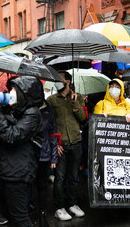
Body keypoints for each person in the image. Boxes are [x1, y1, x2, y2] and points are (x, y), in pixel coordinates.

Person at [0, 76, 44, 227]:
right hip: (9, 169)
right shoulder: (17, 110)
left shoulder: (32, 113)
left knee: (20, 217)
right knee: (12, 216)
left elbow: (12, 136)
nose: (11, 92)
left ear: (24, 93)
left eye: (14, 89)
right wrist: (3, 111)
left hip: (18, 172)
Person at [47, 71, 86, 221]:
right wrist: (54, 144)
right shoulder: (51, 100)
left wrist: (75, 103)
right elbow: (49, 125)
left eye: (61, 79)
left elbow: (82, 118)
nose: (58, 82)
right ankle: (59, 207)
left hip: (76, 142)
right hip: (60, 145)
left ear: (68, 81)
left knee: (73, 177)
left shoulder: (78, 97)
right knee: (60, 178)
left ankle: (72, 204)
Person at [36, 99, 58, 227]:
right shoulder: (21, 107)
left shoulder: (48, 109)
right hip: (26, 154)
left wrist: (53, 157)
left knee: (42, 185)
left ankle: (42, 214)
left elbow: (53, 133)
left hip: (43, 153)